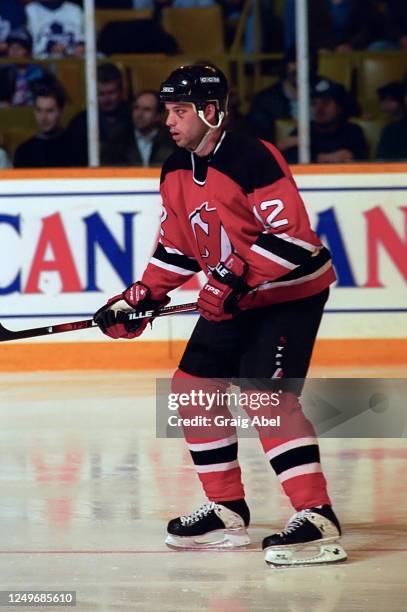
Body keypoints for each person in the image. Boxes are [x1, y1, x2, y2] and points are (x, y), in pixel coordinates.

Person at [93, 64, 347, 567]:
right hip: (237, 294)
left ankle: (317, 516)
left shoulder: (253, 156)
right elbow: (177, 251)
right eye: (167, 110)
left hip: (288, 293)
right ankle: (227, 508)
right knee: (191, 387)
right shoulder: (174, 169)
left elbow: (294, 239)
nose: (170, 121)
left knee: (264, 397)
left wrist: (233, 279)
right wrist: (141, 296)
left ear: (212, 111)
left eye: (180, 111)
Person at [279, 77, 367, 164]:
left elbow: (364, 163)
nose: (319, 109)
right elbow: (290, 163)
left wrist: (351, 157)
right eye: (314, 103)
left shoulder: (353, 131)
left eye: (326, 103)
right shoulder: (304, 130)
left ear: (340, 107)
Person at [65, 63, 133, 166]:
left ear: (121, 91)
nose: (106, 99)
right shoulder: (80, 123)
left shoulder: (135, 118)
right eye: (101, 94)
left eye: (111, 93)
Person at [13, 83, 71, 167]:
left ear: (61, 112)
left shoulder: (74, 147)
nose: (43, 117)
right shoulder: (24, 152)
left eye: (50, 111)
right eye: (39, 110)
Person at [0, 28, 54, 106]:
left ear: (28, 51)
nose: (14, 51)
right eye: (11, 47)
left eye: (19, 47)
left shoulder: (40, 73)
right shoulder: (3, 72)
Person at [125, 91, 176, 167]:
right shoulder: (119, 140)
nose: (139, 114)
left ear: (158, 116)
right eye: (136, 108)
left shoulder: (173, 141)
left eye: (146, 109)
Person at [376, 80, 407, 160]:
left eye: (391, 100)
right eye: (382, 100)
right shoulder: (390, 130)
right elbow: (382, 160)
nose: (386, 104)